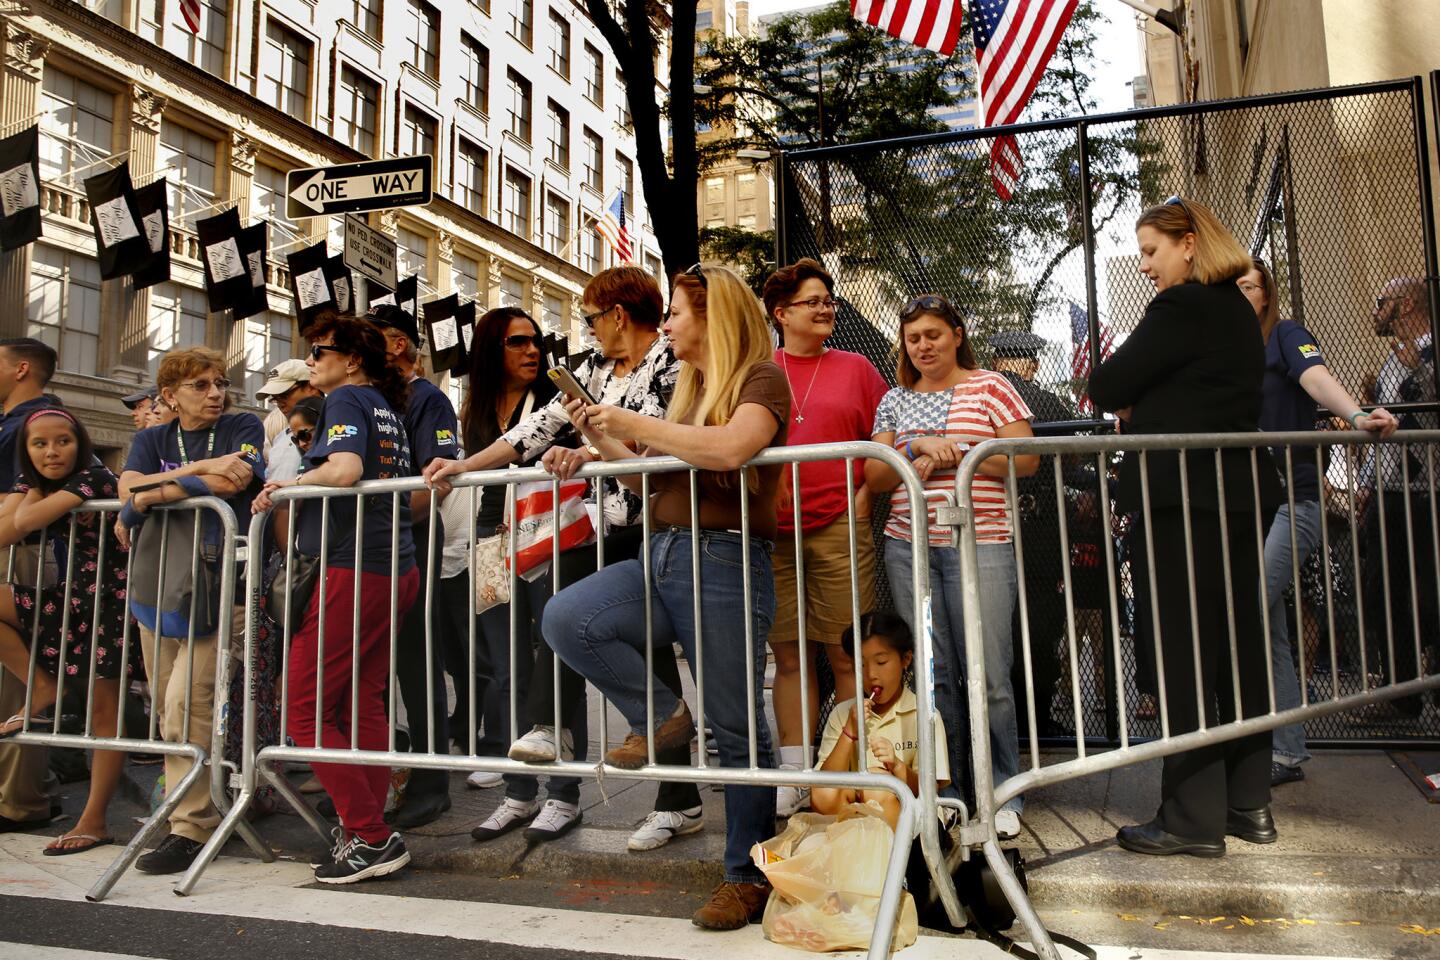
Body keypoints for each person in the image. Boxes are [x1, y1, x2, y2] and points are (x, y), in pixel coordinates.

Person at [543, 262, 786, 930]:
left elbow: (733, 449)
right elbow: (650, 477)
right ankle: (662, 716)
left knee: (738, 729)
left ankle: (747, 875)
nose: (668, 324)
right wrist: (594, 434)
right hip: (663, 550)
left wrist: (633, 425)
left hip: (726, 559)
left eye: (677, 312)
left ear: (713, 317)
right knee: (570, 617)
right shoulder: (691, 389)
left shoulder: (760, 377)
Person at [426, 267, 702, 852]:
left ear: (618, 315)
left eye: (592, 318)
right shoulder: (590, 372)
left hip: (650, 527)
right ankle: (549, 730)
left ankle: (679, 799)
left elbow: (652, 448)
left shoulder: (671, 365)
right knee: (560, 622)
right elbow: (535, 428)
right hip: (590, 528)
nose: (589, 329)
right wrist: (465, 466)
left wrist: (584, 451)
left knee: (651, 656)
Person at [1089, 196, 1281, 858]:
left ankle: (1192, 820)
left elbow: (1107, 382)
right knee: (1235, 648)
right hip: (1237, 493)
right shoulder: (1235, 307)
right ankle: (1247, 804)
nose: (1146, 266)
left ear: (1189, 243)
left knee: (1186, 652)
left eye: (1151, 251)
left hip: (1184, 499)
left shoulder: (1183, 306)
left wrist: (1138, 402)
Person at [254, 313, 418, 884]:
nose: (312, 361)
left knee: (305, 706)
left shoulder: (347, 401)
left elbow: (345, 470)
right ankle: (368, 827)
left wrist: (286, 487)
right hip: (392, 565)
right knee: (361, 700)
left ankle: (369, 836)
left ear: (352, 359)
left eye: (320, 351)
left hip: (354, 567)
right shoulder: (382, 405)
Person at [865, 294, 1037, 841]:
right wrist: (915, 443)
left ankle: (1003, 790)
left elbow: (1027, 459)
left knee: (988, 674)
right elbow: (875, 477)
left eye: (934, 335)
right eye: (914, 338)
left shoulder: (990, 386)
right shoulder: (893, 399)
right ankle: (950, 792)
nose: (924, 346)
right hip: (907, 545)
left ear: (957, 335)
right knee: (935, 677)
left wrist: (957, 452)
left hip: (980, 543)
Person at [1238, 258, 1397, 784]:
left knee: (1249, 605)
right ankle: (1286, 751)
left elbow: (1317, 379)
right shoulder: (1229, 352)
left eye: (1249, 286)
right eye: (1233, 286)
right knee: (1271, 629)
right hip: (1251, 505)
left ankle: (1240, 739)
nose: (1241, 294)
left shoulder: (1284, 335)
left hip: (1293, 502)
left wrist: (1355, 415)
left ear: (1267, 295)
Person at [119, 347, 265, 875]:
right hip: (156, 587)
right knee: (166, 706)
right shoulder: (151, 437)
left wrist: (150, 496)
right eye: (200, 386)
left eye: (219, 383)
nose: (215, 394)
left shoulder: (242, 424)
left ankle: (192, 825)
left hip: (216, 589)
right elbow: (125, 488)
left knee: (187, 702)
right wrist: (198, 469)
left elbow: (236, 481)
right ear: (169, 395)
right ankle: (186, 804)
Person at [760, 258, 888, 818]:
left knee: (845, 654)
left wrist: (865, 491)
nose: (826, 307)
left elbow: (888, 432)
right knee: (788, 656)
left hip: (840, 523)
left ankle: (851, 768)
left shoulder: (857, 367)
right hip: (772, 532)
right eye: (812, 300)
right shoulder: (759, 368)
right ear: (780, 313)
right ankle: (794, 775)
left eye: (828, 298)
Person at [442, 306, 560, 798]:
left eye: (535, 340)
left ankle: (560, 780)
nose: (532, 349)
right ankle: (514, 766)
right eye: (517, 341)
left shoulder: (552, 397)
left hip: (546, 530)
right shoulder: (477, 403)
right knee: (503, 655)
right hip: (491, 534)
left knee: (552, 655)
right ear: (493, 349)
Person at [0, 410, 130, 854]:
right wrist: (29, 494)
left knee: (104, 715)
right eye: (39, 444)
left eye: (63, 442)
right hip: (67, 597)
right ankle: (41, 688)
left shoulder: (92, 478)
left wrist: (30, 492)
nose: (52, 452)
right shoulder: (38, 482)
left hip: (113, 602)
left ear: (81, 444)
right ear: (27, 448)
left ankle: (94, 821)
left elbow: (20, 524)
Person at [367, 304, 460, 830]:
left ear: (398, 344)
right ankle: (372, 778)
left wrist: (389, 523)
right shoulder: (367, 400)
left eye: (369, 340)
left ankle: (431, 782)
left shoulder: (427, 398)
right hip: (366, 550)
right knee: (372, 666)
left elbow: (436, 482)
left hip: (410, 543)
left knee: (417, 666)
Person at [987, 330, 1080, 740]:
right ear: (1034, 364)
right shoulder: (1042, 399)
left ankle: (1004, 721)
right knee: (1041, 623)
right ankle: (1037, 718)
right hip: (1038, 524)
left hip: (997, 521)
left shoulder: (986, 396)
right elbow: (1073, 451)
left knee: (997, 621)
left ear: (996, 364)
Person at [1353, 276, 1436, 724]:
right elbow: (1378, 430)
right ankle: (1401, 692)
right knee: (1383, 592)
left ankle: (1431, 683)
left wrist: (1418, 366)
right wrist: (1366, 481)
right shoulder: (1391, 361)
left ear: (1403, 305)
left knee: (1429, 591)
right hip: (1388, 493)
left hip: (1426, 492)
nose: (1375, 310)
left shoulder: (1429, 352)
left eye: (1381, 302)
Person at [0, 339, 61, 837]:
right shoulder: (11, 420)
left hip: (20, 557)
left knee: (15, 684)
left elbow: (19, 506)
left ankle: (20, 801)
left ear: (21, 369)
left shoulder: (37, 422)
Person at [811, 611, 950, 830]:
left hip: (915, 830)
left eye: (881, 662)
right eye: (862, 665)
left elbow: (929, 789)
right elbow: (823, 789)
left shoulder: (924, 714)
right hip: (855, 822)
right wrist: (849, 733)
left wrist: (896, 766)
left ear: (905, 660)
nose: (872, 674)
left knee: (877, 786)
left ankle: (883, 857)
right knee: (824, 792)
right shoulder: (843, 713)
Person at [255, 359, 322, 485]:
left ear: (312, 387)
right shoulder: (280, 438)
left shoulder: (335, 426)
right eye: (275, 398)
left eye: (284, 395)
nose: (280, 404)